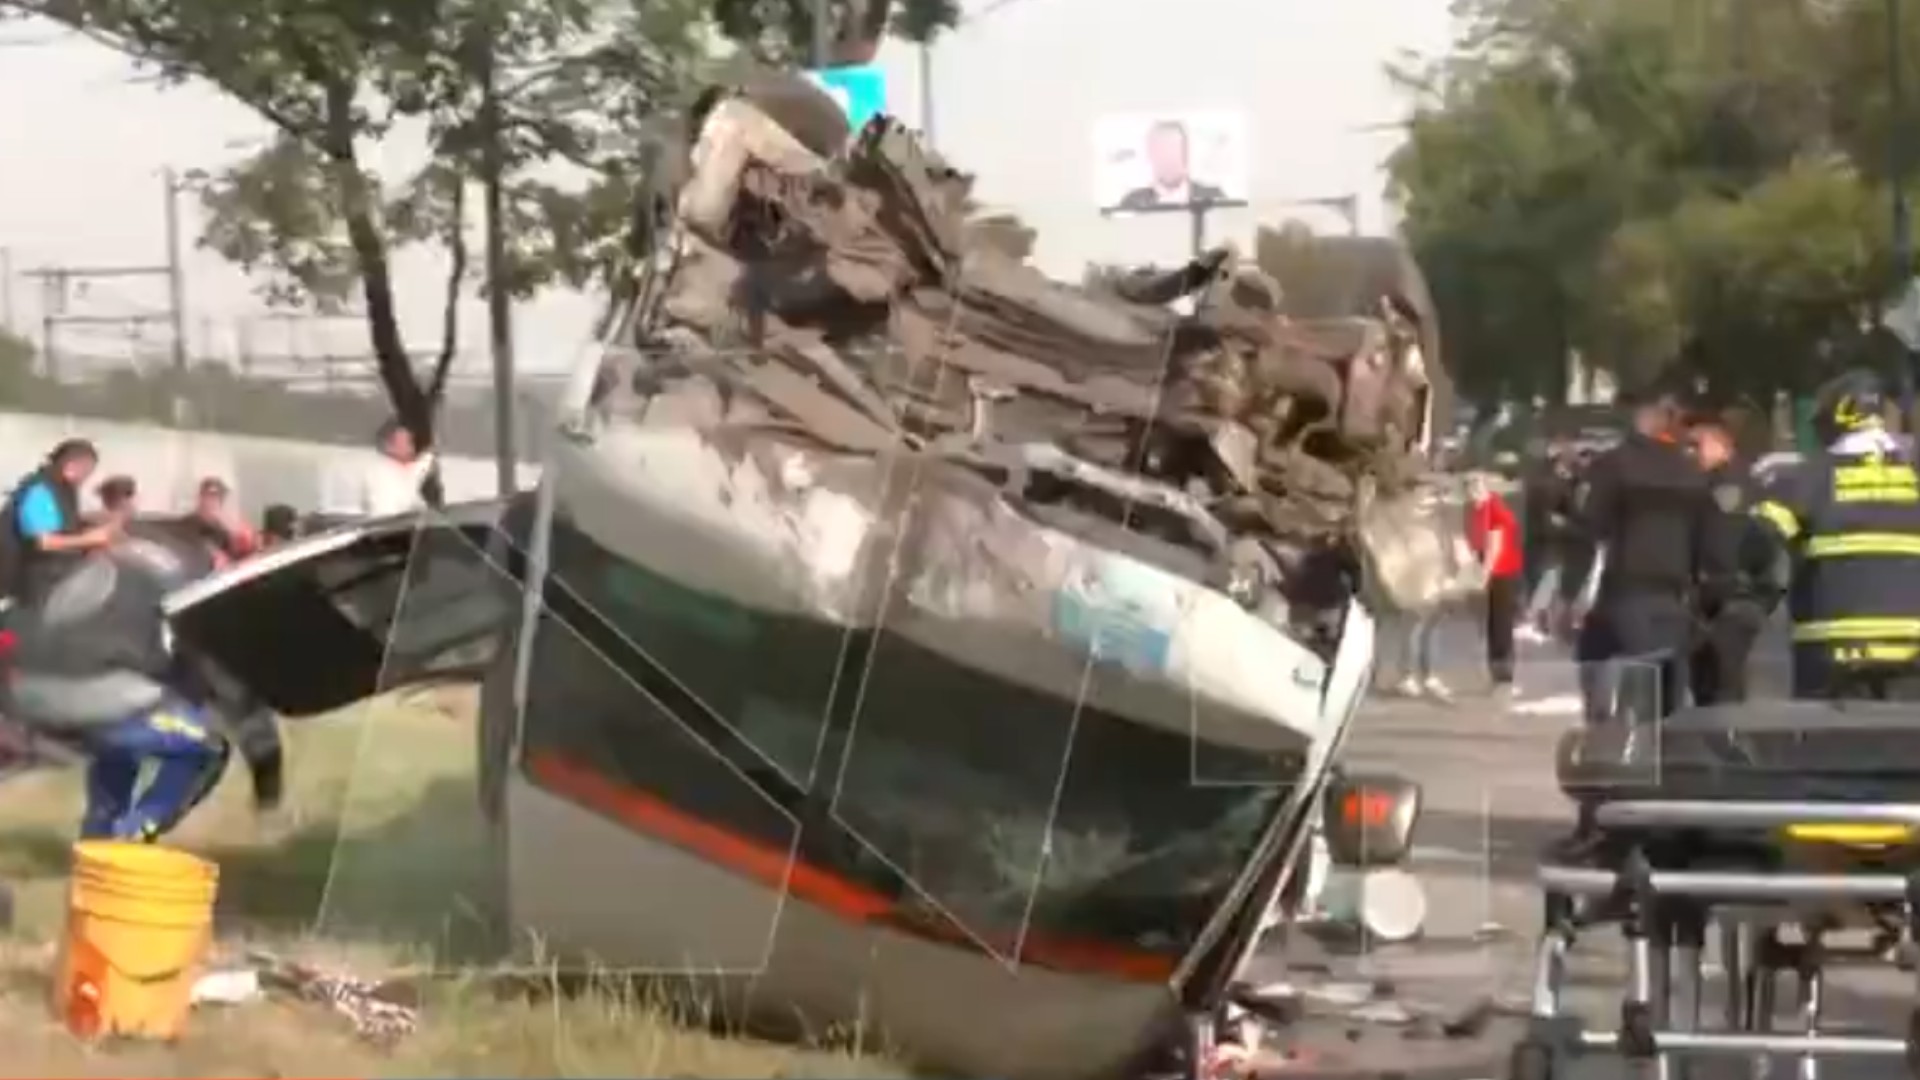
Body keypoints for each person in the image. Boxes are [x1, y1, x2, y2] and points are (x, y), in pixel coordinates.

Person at [1749, 369, 1920, 700]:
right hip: (1913, 652)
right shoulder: (1913, 477)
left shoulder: (1808, 478)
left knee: (1830, 749)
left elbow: (1759, 545)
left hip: (1831, 652)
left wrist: (1757, 591)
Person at [1573, 388, 1726, 724]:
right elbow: (1712, 549)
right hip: (1675, 600)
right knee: (1666, 699)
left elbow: (1588, 531)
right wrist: (1708, 606)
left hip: (1622, 596)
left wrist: (1570, 594)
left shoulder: (1613, 466)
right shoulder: (1692, 474)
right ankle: (1661, 758)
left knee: (1605, 684)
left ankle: (1613, 752)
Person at [1686, 415, 1774, 705]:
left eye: (1696, 445)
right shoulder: (1726, 481)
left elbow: (1722, 544)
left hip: (1729, 597)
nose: (1690, 452)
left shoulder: (1730, 485)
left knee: (1723, 686)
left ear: (1721, 445)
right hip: (1721, 598)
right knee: (1708, 683)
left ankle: (1727, 744)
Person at [1, 439, 117, 606]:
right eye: (87, 471)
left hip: (51, 575)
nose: (87, 477)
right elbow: (44, 542)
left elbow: (62, 523)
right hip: (29, 584)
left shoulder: (62, 488)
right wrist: (90, 539)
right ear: (72, 466)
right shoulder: (39, 491)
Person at [1467, 471, 1523, 694]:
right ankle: (1496, 666)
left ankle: (1503, 668)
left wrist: (1483, 574)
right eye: (1470, 490)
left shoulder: (1494, 508)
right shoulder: (1479, 509)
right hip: (1494, 568)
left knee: (1501, 620)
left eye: (1476, 489)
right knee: (1493, 620)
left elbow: (1495, 546)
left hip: (1503, 570)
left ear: (1486, 488)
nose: (1472, 494)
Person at [1118, 121, 1227, 210]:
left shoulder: (1214, 197)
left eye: (1174, 149)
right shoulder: (1132, 203)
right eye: (1162, 150)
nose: (1169, 159)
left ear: (1186, 151)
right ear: (1150, 154)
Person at [359, 419, 437, 516]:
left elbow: (420, 466)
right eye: (406, 442)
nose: (411, 447)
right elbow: (387, 516)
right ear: (388, 446)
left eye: (410, 441)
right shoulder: (381, 475)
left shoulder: (405, 470)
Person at [185, 476, 258, 569]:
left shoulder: (225, 524)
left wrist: (240, 535)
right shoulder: (189, 525)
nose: (212, 502)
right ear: (200, 498)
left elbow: (249, 546)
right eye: (209, 496)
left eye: (217, 497)